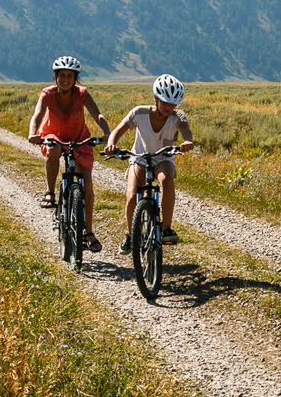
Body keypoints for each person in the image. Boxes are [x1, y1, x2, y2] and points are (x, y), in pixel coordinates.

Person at [27, 56, 111, 252]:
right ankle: (50, 191)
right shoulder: (47, 93)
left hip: (78, 137)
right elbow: (37, 115)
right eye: (62, 75)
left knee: (88, 186)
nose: (65, 79)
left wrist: (107, 132)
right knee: (53, 149)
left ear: (75, 78)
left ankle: (88, 232)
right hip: (53, 134)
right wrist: (32, 133)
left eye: (70, 76)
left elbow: (96, 114)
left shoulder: (81, 93)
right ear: (55, 76)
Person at [105, 74, 195, 253]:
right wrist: (111, 144)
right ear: (155, 98)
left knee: (168, 179)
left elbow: (186, 130)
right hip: (139, 157)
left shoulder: (178, 116)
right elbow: (117, 131)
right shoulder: (139, 113)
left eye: (174, 103)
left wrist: (187, 142)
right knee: (132, 197)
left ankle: (166, 228)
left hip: (163, 158)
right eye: (166, 102)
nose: (170, 107)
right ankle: (131, 235)